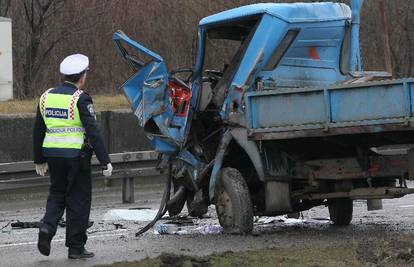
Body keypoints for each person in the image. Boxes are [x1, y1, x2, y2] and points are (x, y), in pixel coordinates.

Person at [33, 54, 113, 259]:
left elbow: (38, 129)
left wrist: (38, 159)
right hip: (76, 156)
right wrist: (105, 161)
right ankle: (76, 247)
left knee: (57, 193)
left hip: (52, 153)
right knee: (78, 199)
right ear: (82, 76)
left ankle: (47, 228)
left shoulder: (46, 96)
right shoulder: (80, 98)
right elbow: (93, 131)